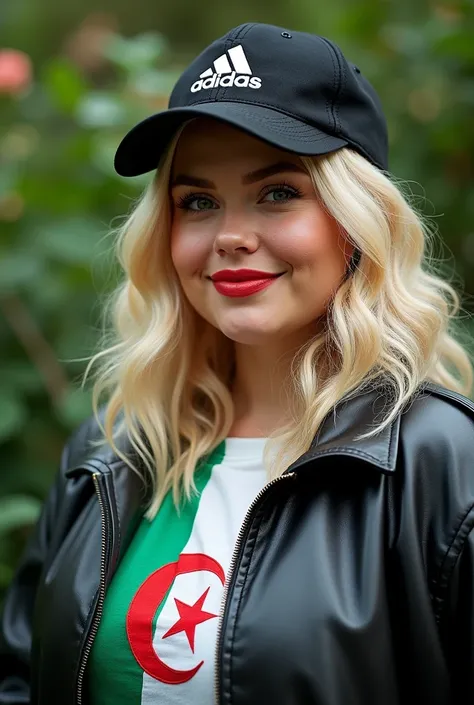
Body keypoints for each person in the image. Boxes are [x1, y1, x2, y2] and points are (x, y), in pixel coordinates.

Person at [1, 21, 474, 705]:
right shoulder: (107, 454)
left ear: (358, 220)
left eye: (278, 192)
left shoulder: (443, 465)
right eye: (198, 202)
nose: (230, 236)